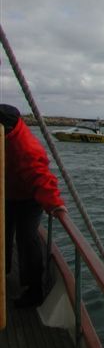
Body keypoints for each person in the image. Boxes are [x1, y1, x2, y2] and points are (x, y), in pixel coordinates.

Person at [1, 104, 67, 308]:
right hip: (6, 194)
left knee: (27, 239)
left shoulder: (24, 147)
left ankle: (34, 290)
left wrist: (55, 204)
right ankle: (3, 272)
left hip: (28, 199)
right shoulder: (7, 138)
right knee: (3, 234)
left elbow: (41, 178)